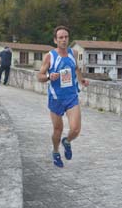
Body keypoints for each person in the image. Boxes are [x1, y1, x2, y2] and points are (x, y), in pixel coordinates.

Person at [37, 25, 89, 168]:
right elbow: (39, 76)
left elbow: (76, 69)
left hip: (71, 96)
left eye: (66, 37)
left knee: (76, 129)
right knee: (58, 129)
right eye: (61, 37)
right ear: (55, 40)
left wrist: (81, 80)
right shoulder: (50, 56)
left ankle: (67, 141)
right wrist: (48, 76)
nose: (64, 40)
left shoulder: (73, 52)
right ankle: (55, 151)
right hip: (56, 98)